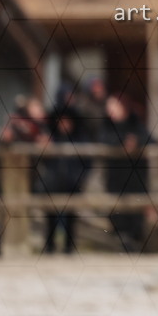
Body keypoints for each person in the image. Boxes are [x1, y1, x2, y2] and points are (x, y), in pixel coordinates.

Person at [37, 105, 90, 254]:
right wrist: (44, 149)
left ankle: (69, 247)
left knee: (71, 216)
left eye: (67, 121)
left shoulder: (80, 138)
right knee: (50, 216)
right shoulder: (51, 138)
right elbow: (41, 162)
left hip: (72, 183)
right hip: (53, 183)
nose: (64, 124)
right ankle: (50, 246)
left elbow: (87, 162)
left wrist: (79, 177)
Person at [103, 95, 152, 252]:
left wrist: (135, 142)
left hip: (135, 177)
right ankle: (123, 244)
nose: (111, 111)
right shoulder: (107, 125)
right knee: (118, 214)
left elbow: (149, 139)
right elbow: (103, 140)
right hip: (116, 177)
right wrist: (121, 143)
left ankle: (135, 244)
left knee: (136, 214)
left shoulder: (135, 123)